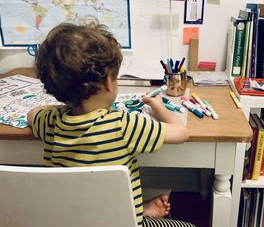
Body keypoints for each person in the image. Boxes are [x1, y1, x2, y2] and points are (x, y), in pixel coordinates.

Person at [27, 22, 195, 227]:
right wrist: (159, 107)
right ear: (108, 82)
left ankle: (142, 209)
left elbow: (31, 114)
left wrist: (59, 107)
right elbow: (181, 132)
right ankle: (140, 216)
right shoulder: (123, 126)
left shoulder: (51, 122)